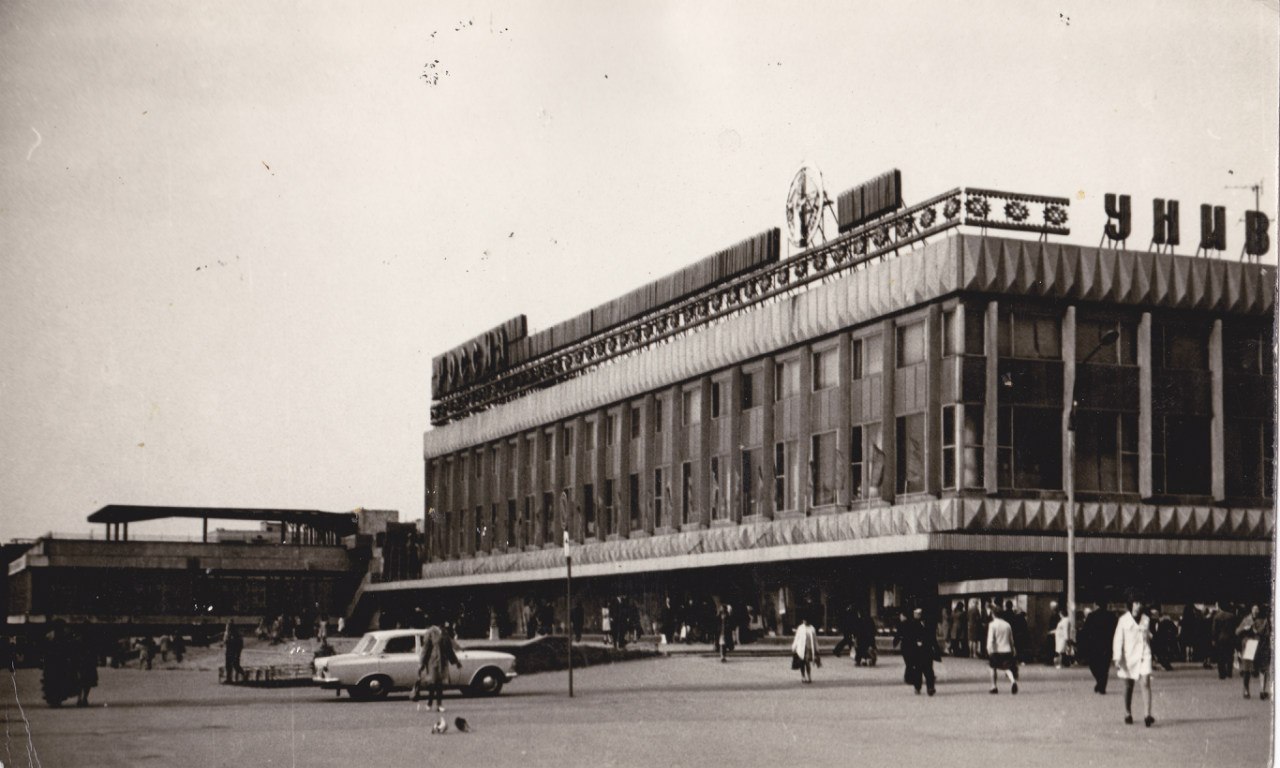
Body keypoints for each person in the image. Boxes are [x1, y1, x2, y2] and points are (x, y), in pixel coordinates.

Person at [1113, 599, 1155, 727]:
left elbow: (1147, 635)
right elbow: (1118, 639)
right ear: (1131, 604)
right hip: (1128, 657)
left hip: (1144, 655)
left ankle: (1147, 715)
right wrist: (1117, 657)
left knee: (1146, 682)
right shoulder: (1123, 620)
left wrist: (1150, 636)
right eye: (1135, 603)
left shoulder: (1146, 619)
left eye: (1140, 603)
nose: (1138, 606)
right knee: (1128, 685)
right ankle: (1127, 712)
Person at [413, 623, 462, 712]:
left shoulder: (444, 632)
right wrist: (421, 663)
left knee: (439, 683)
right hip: (432, 662)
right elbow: (425, 649)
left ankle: (439, 704)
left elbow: (449, 649)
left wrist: (456, 662)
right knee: (433, 683)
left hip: (442, 662)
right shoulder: (430, 632)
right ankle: (430, 702)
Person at [899, 607, 939, 696]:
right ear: (914, 614)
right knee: (918, 670)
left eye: (920, 614)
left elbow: (932, 637)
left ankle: (930, 687)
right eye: (916, 614)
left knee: (929, 670)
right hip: (916, 651)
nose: (918, 615)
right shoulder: (911, 624)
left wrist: (935, 648)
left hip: (927, 650)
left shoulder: (928, 623)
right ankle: (917, 687)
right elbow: (908, 638)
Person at [1079, 604, 1118, 694]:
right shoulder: (1112, 616)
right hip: (1108, 644)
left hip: (1094, 645)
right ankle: (1101, 685)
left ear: (1096, 605)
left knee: (1094, 665)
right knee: (1105, 666)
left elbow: (1085, 631)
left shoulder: (1091, 616)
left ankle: (1100, 683)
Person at [1236, 605, 1271, 700]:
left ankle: (1262, 691)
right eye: (1254, 609)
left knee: (1263, 669)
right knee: (1247, 670)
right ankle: (1246, 690)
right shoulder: (1247, 619)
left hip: (1261, 645)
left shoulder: (1264, 621)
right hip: (1250, 644)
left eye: (1257, 609)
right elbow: (1237, 631)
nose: (1256, 611)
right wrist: (1244, 629)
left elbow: (1267, 634)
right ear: (1251, 610)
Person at [986, 604, 1019, 694]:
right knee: (1007, 668)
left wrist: (989, 649)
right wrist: (1013, 648)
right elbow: (1011, 639)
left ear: (993, 614)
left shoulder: (992, 625)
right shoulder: (1007, 625)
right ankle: (1013, 681)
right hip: (1007, 649)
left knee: (993, 668)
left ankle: (994, 686)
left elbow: (991, 639)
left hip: (996, 650)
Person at [1211, 602, 1238, 680]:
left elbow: (1214, 629)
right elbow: (1234, 628)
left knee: (1220, 657)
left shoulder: (1217, 617)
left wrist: (1213, 639)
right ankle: (1229, 672)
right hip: (1230, 638)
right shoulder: (1232, 616)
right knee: (1229, 656)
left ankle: (1222, 674)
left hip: (1220, 639)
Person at [791, 616, 819, 683]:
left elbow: (815, 639)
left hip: (808, 648)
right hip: (801, 648)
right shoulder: (800, 628)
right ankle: (803, 677)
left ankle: (809, 676)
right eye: (804, 620)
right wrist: (794, 647)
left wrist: (817, 648)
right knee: (802, 663)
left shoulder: (812, 628)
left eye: (806, 620)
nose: (804, 622)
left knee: (807, 663)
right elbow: (797, 638)